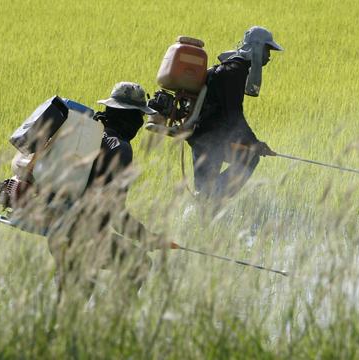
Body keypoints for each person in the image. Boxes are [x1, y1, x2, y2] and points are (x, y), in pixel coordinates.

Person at [46, 82, 163, 297]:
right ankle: (114, 321)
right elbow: (114, 212)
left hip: (57, 231)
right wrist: (145, 237)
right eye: (138, 116)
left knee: (71, 298)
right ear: (128, 117)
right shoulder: (120, 148)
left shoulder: (85, 134)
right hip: (84, 237)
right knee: (139, 263)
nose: (140, 122)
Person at [153, 26, 283, 200]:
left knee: (203, 190)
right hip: (211, 139)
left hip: (200, 136)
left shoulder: (229, 68)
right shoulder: (235, 71)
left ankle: (200, 208)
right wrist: (255, 143)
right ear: (257, 48)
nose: (268, 57)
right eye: (267, 50)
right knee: (250, 159)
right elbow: (233, 114)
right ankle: (209, 200)